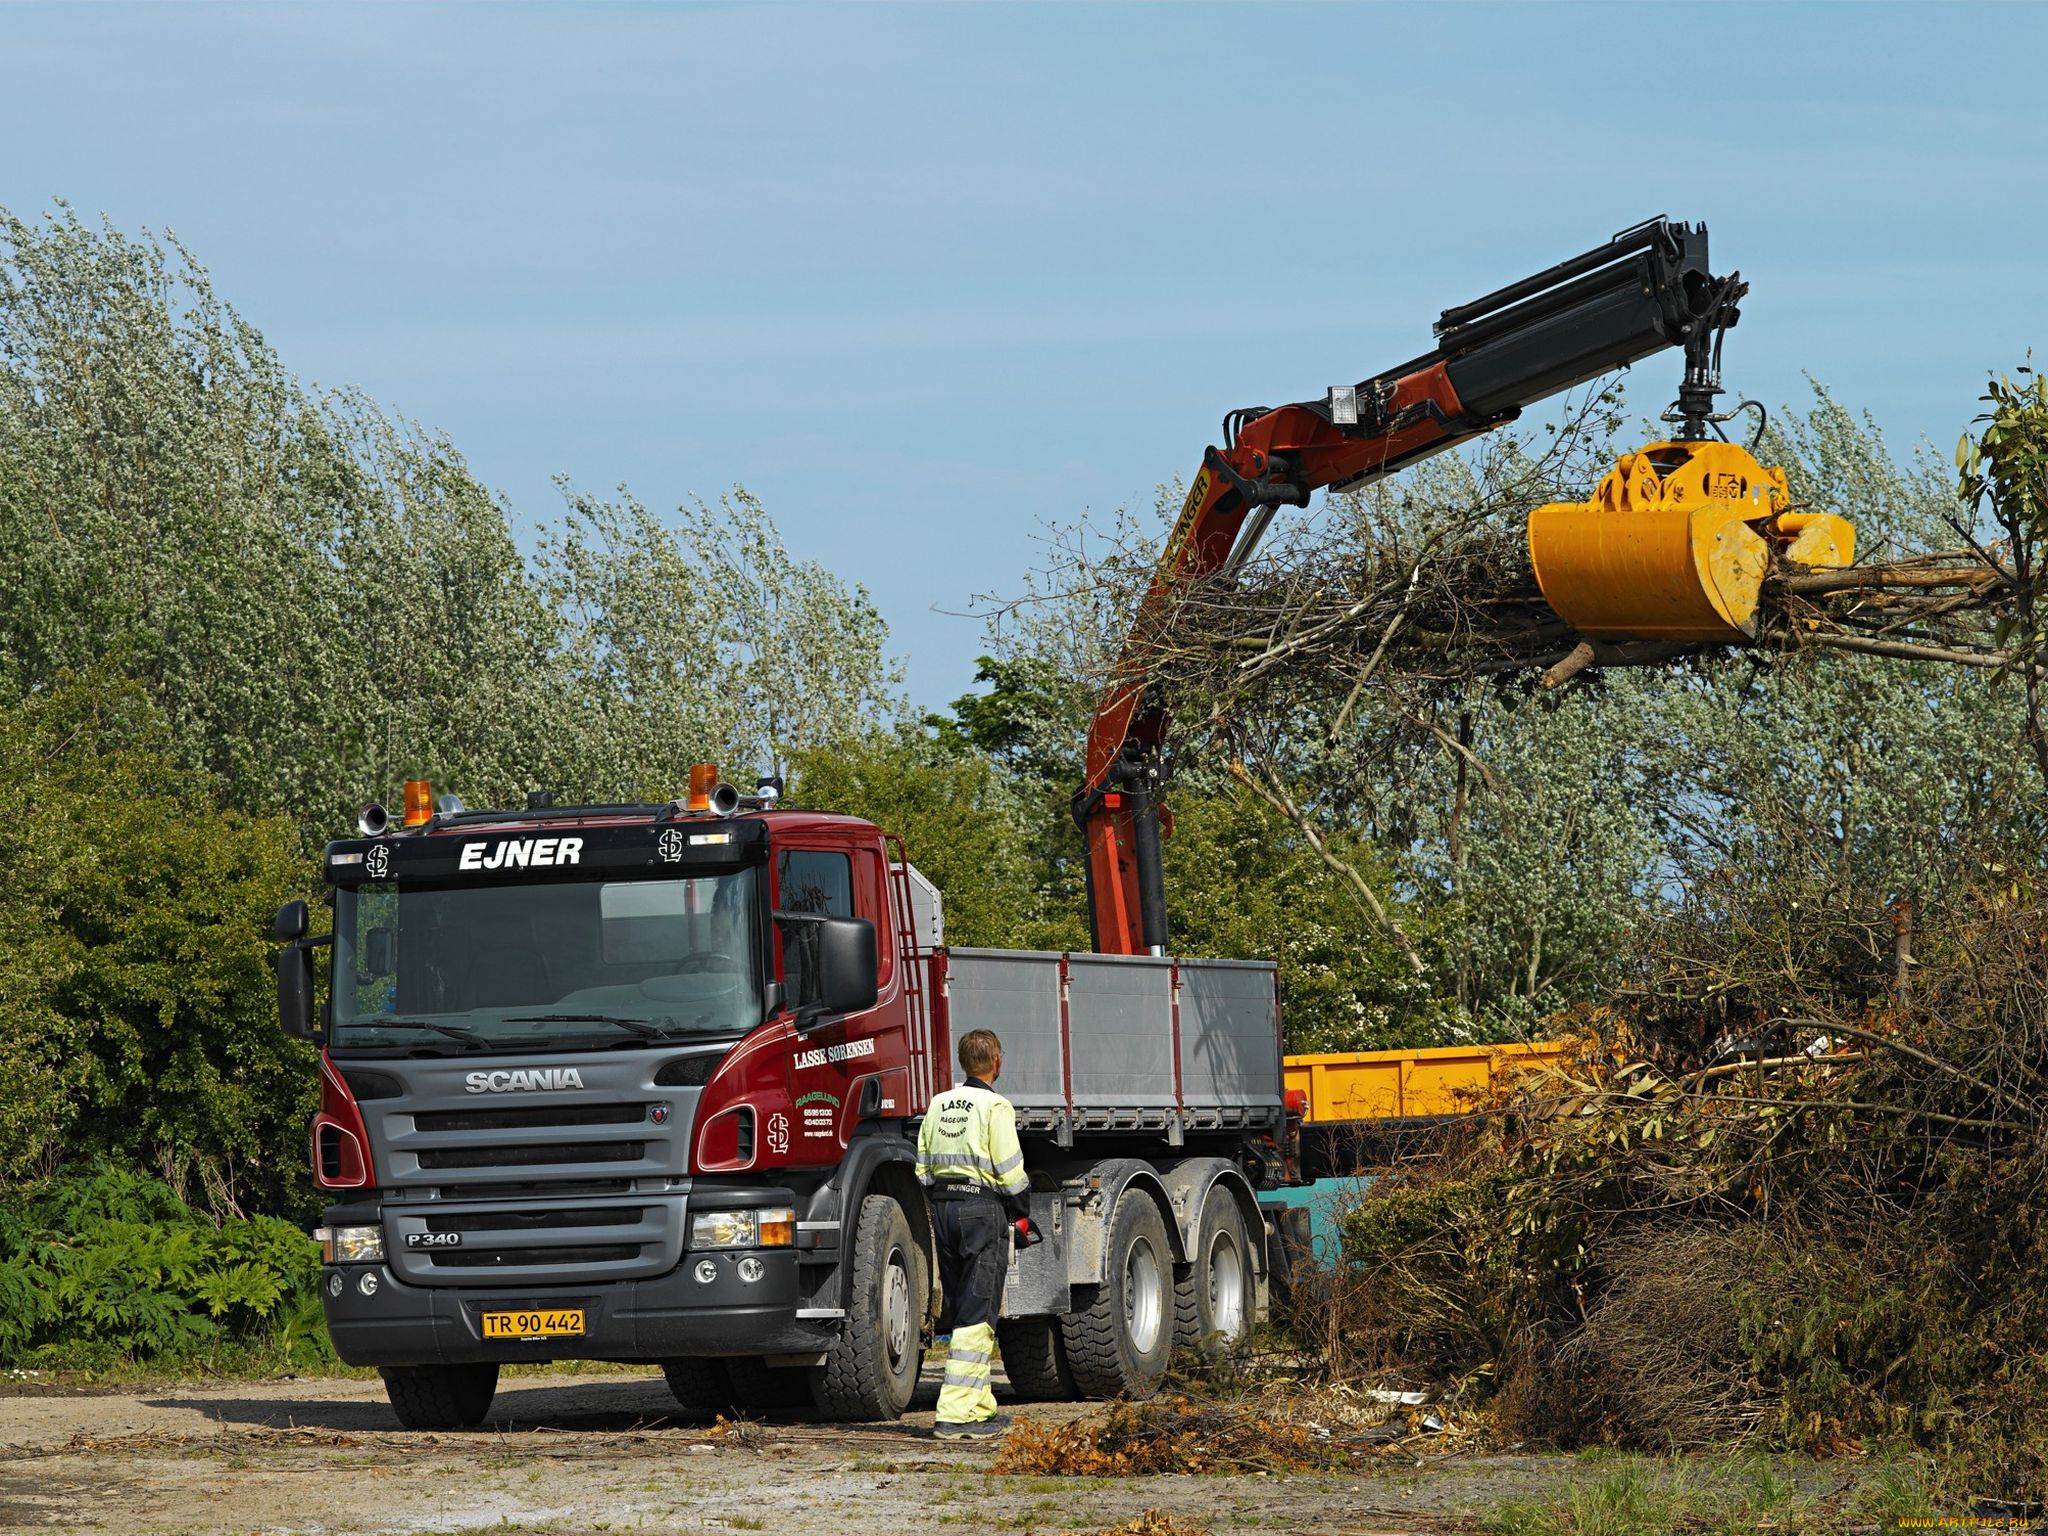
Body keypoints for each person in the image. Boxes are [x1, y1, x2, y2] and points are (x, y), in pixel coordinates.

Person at [916, 1027, 1035, 1438]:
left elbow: (923, 1168)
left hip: (944, 1210)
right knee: (977, 1312)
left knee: (963, 1303)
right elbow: (1010, 1171)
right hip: (982, 1211)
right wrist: (1021, 1213)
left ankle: (981, 1405)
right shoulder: (996, 1107)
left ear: (962, 1062)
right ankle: (955, 1414)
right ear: (996, 1062)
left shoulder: (939, 1103)